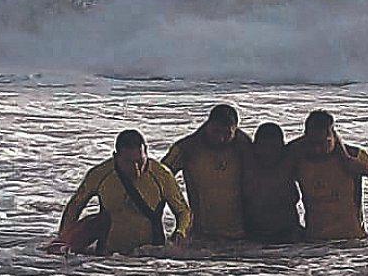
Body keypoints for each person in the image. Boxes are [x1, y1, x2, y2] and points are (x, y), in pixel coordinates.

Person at [55, 129, 192, 255]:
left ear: (146, 153)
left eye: (140, 161)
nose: (136, 168)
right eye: (128, 162)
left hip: (149, 258)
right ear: (116, 156)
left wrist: (181, 232)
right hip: (106, 259)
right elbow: (75, 206)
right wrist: (63, 240)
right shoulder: (101, 174)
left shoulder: (161, 175)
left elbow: (183, 211)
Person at [289, 110, 368, 240]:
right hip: (315, 244)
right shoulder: (297, 159)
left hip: (353, 242)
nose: (317, 149)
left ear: (333, 136)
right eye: (312, 143)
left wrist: (363, 168)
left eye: (323, 143)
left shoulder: (353, 155)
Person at [162, 104, 252, 241]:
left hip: (241, 234)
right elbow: (160, 178)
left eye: (227, 134)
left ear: (235, 130)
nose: (221, 138)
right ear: (208, 125)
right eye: (216, 131)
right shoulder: (188, 148)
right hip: (201, 234)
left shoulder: (244, 146)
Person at [240, 122, 304, 243]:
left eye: (273, 148)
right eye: (263, 147)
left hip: (288, 234)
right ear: (255, 147)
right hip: (252, 236)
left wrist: (345, 157)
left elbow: (318, 135)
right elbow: (227, 127)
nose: (268, 153)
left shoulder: (289, 159)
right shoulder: (247, 158)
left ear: (282, 147)